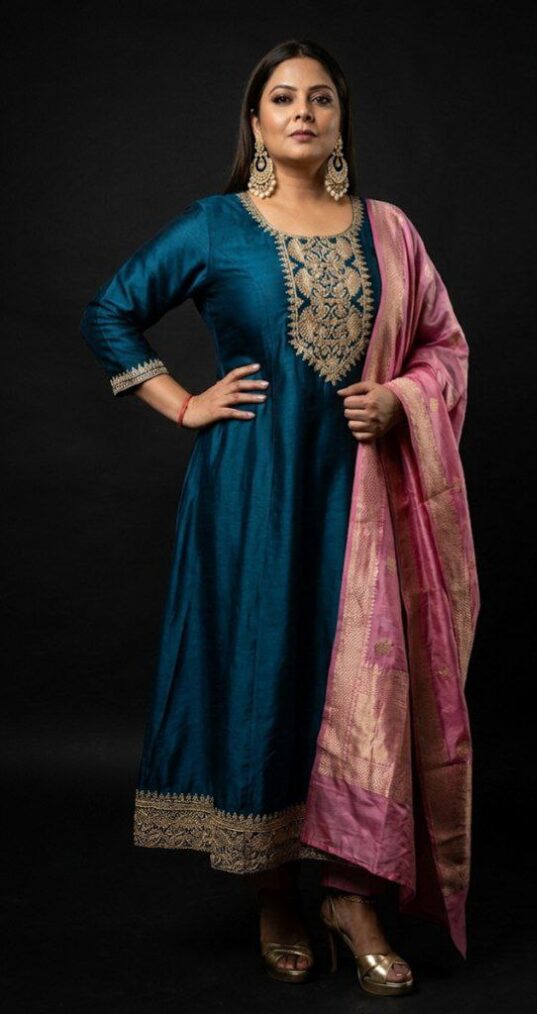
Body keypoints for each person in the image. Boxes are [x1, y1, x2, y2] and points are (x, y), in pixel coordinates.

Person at [80, 38, 480, 997]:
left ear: (341, 123)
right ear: (256, 123)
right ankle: (272, 891)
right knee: (267, 670)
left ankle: (351, 894)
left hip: (365, 499)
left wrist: (401, 401)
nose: (304, 112)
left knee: (367, 688)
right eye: (284, 99)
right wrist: (183, 402)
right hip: (251, 497)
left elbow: (443, 346)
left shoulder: (390, 231)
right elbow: (111, 311)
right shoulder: (216, 225)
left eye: (322, 99)